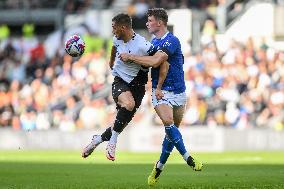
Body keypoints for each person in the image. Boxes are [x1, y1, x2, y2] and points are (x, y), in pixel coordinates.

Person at [119, 8, 203, 186]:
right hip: (160, 92)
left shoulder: (171, 41)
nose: (147, 23)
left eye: (149, 21)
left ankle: (159, 166)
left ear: (159, 22)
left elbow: (158, 62)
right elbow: (151, 65)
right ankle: (188, 158)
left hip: (179, 92)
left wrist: (131, 57)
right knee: (168, 121)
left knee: (170, 134)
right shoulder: (152, 41)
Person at [81, 13, 169, 161]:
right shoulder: (117, 38)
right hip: (120, 82)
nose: (113, 31)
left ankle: (98, 139)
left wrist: (132, 58)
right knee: (128, 104)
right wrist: (111, 64)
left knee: (119, 124)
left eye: (114, 27)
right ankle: (113, 142)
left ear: (123, 27)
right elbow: (114, 50)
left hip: (138, 88)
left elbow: (161, 59)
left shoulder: (142, 45)